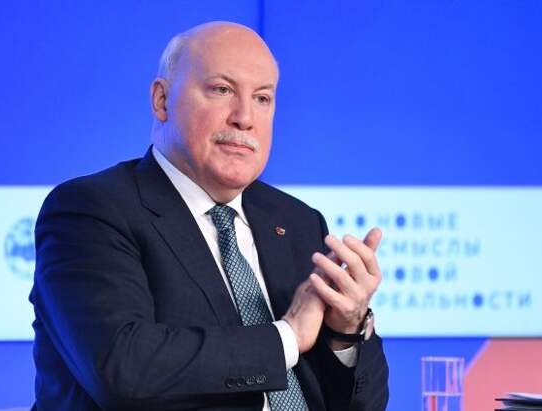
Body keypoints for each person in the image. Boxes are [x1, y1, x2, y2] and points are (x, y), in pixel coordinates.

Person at [29, 21, 388, 411]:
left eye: (263, 98)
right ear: (162, 100)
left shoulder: (297, 221)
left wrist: (346, 331)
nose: (244, 118)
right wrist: (286, 336)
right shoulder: (91, 210)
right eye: (222, 90)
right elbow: (123, 370)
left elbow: (363, 406)